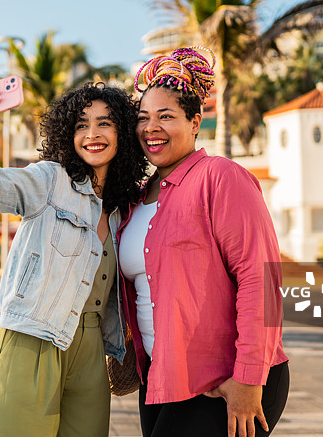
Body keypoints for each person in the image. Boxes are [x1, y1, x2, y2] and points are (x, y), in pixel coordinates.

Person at [0, 82, 147, 437]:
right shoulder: (49, 180)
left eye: (105, 123)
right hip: (30, 338)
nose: (92, 134)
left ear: (123, 133)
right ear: (67, 133)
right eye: (81, 124)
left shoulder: (123, 209)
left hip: (92, 352)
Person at [117, 48, 289, 437]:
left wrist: (248, 379)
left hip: (227, 380)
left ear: (195, 122)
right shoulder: (136, 200)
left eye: (166, 116)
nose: (151, 128)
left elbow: (260, 278)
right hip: (161, 375)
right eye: (143, 118)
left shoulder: (220, 177)